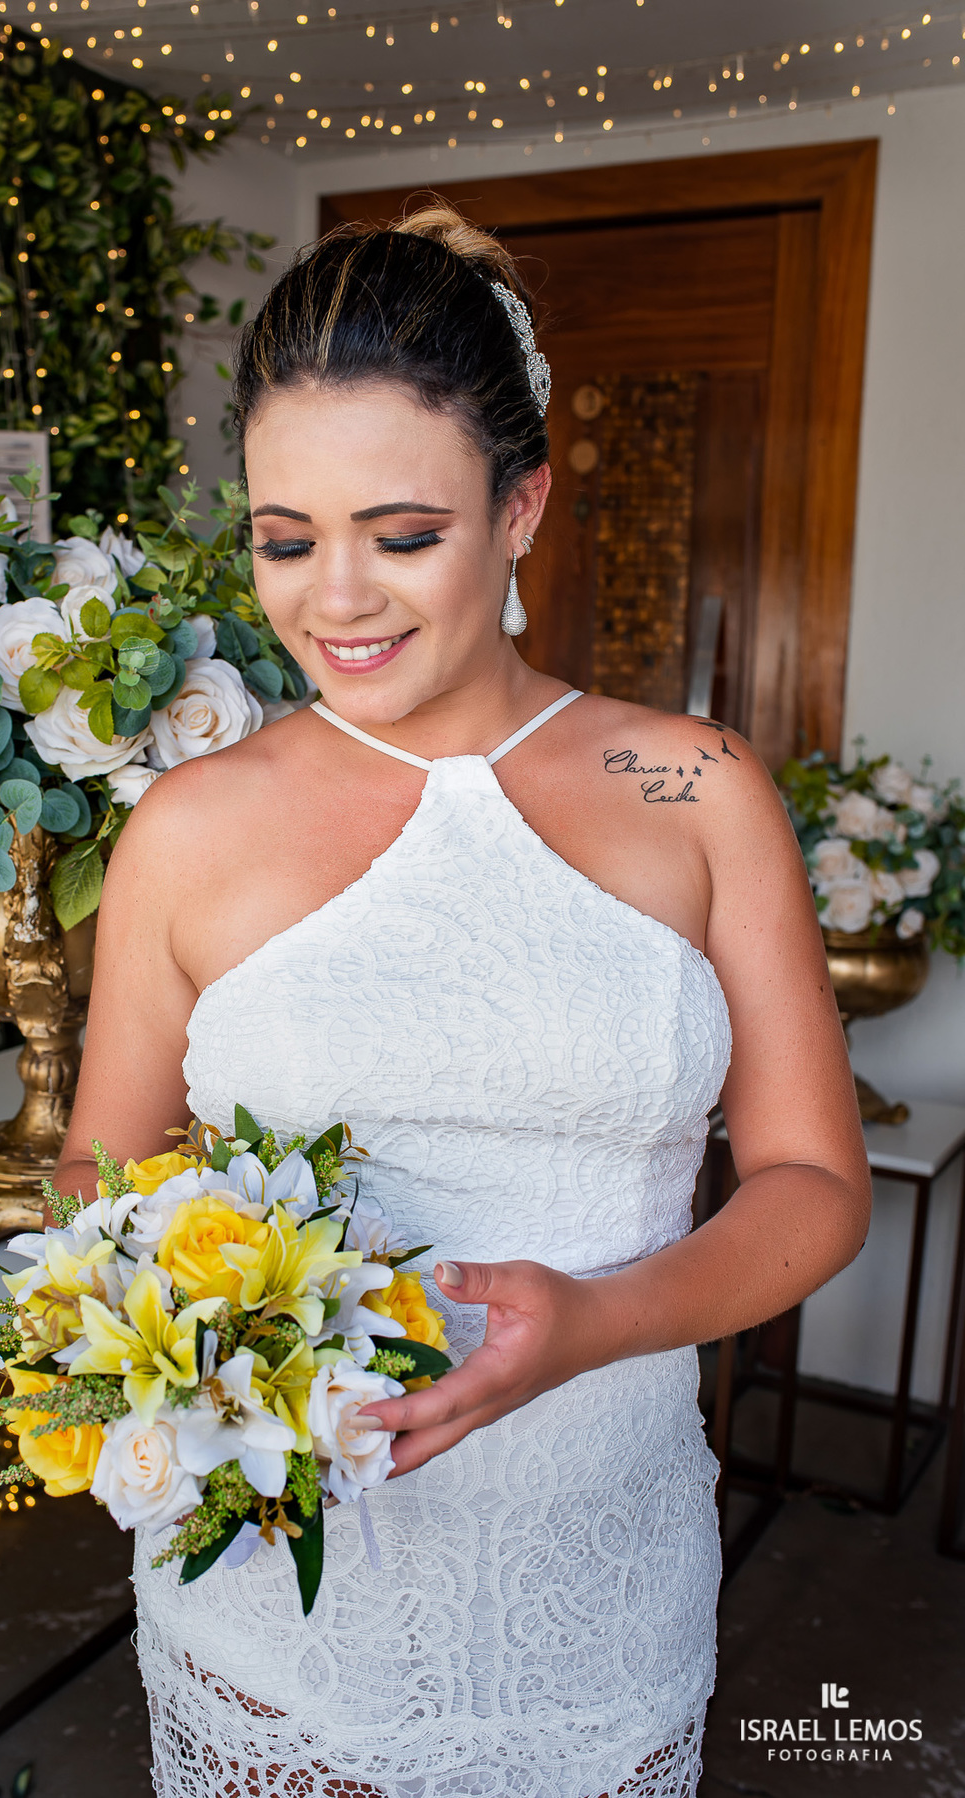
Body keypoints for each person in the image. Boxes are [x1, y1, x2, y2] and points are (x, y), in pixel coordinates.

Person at [54, 204, 870, 1798]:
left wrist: (597, 1321)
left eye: (401, 532)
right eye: (286, 537)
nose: (334, 600)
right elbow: (102, 1171)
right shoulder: (190, 827)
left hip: (603, 1584)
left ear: (524, 506)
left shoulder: (688, 783)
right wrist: (218, 1324)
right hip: (278, 1629)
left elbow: (815, 1187)